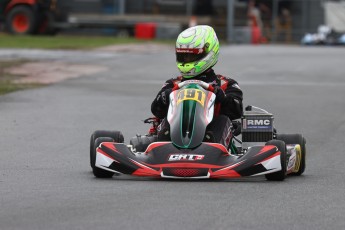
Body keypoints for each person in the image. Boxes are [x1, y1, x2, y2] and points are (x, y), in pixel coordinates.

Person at [151, 25, 243, 150]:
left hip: (211, 142)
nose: (186, 61)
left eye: (191, 57)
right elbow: (156, 110)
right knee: (165, 119)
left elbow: (236, 110)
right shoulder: (172, 84)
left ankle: (215, 149)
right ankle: (161, 149)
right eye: (183, 57)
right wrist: (165, 96)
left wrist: (222, 97)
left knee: (223, 120)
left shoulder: (226, 84)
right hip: (172, 142)